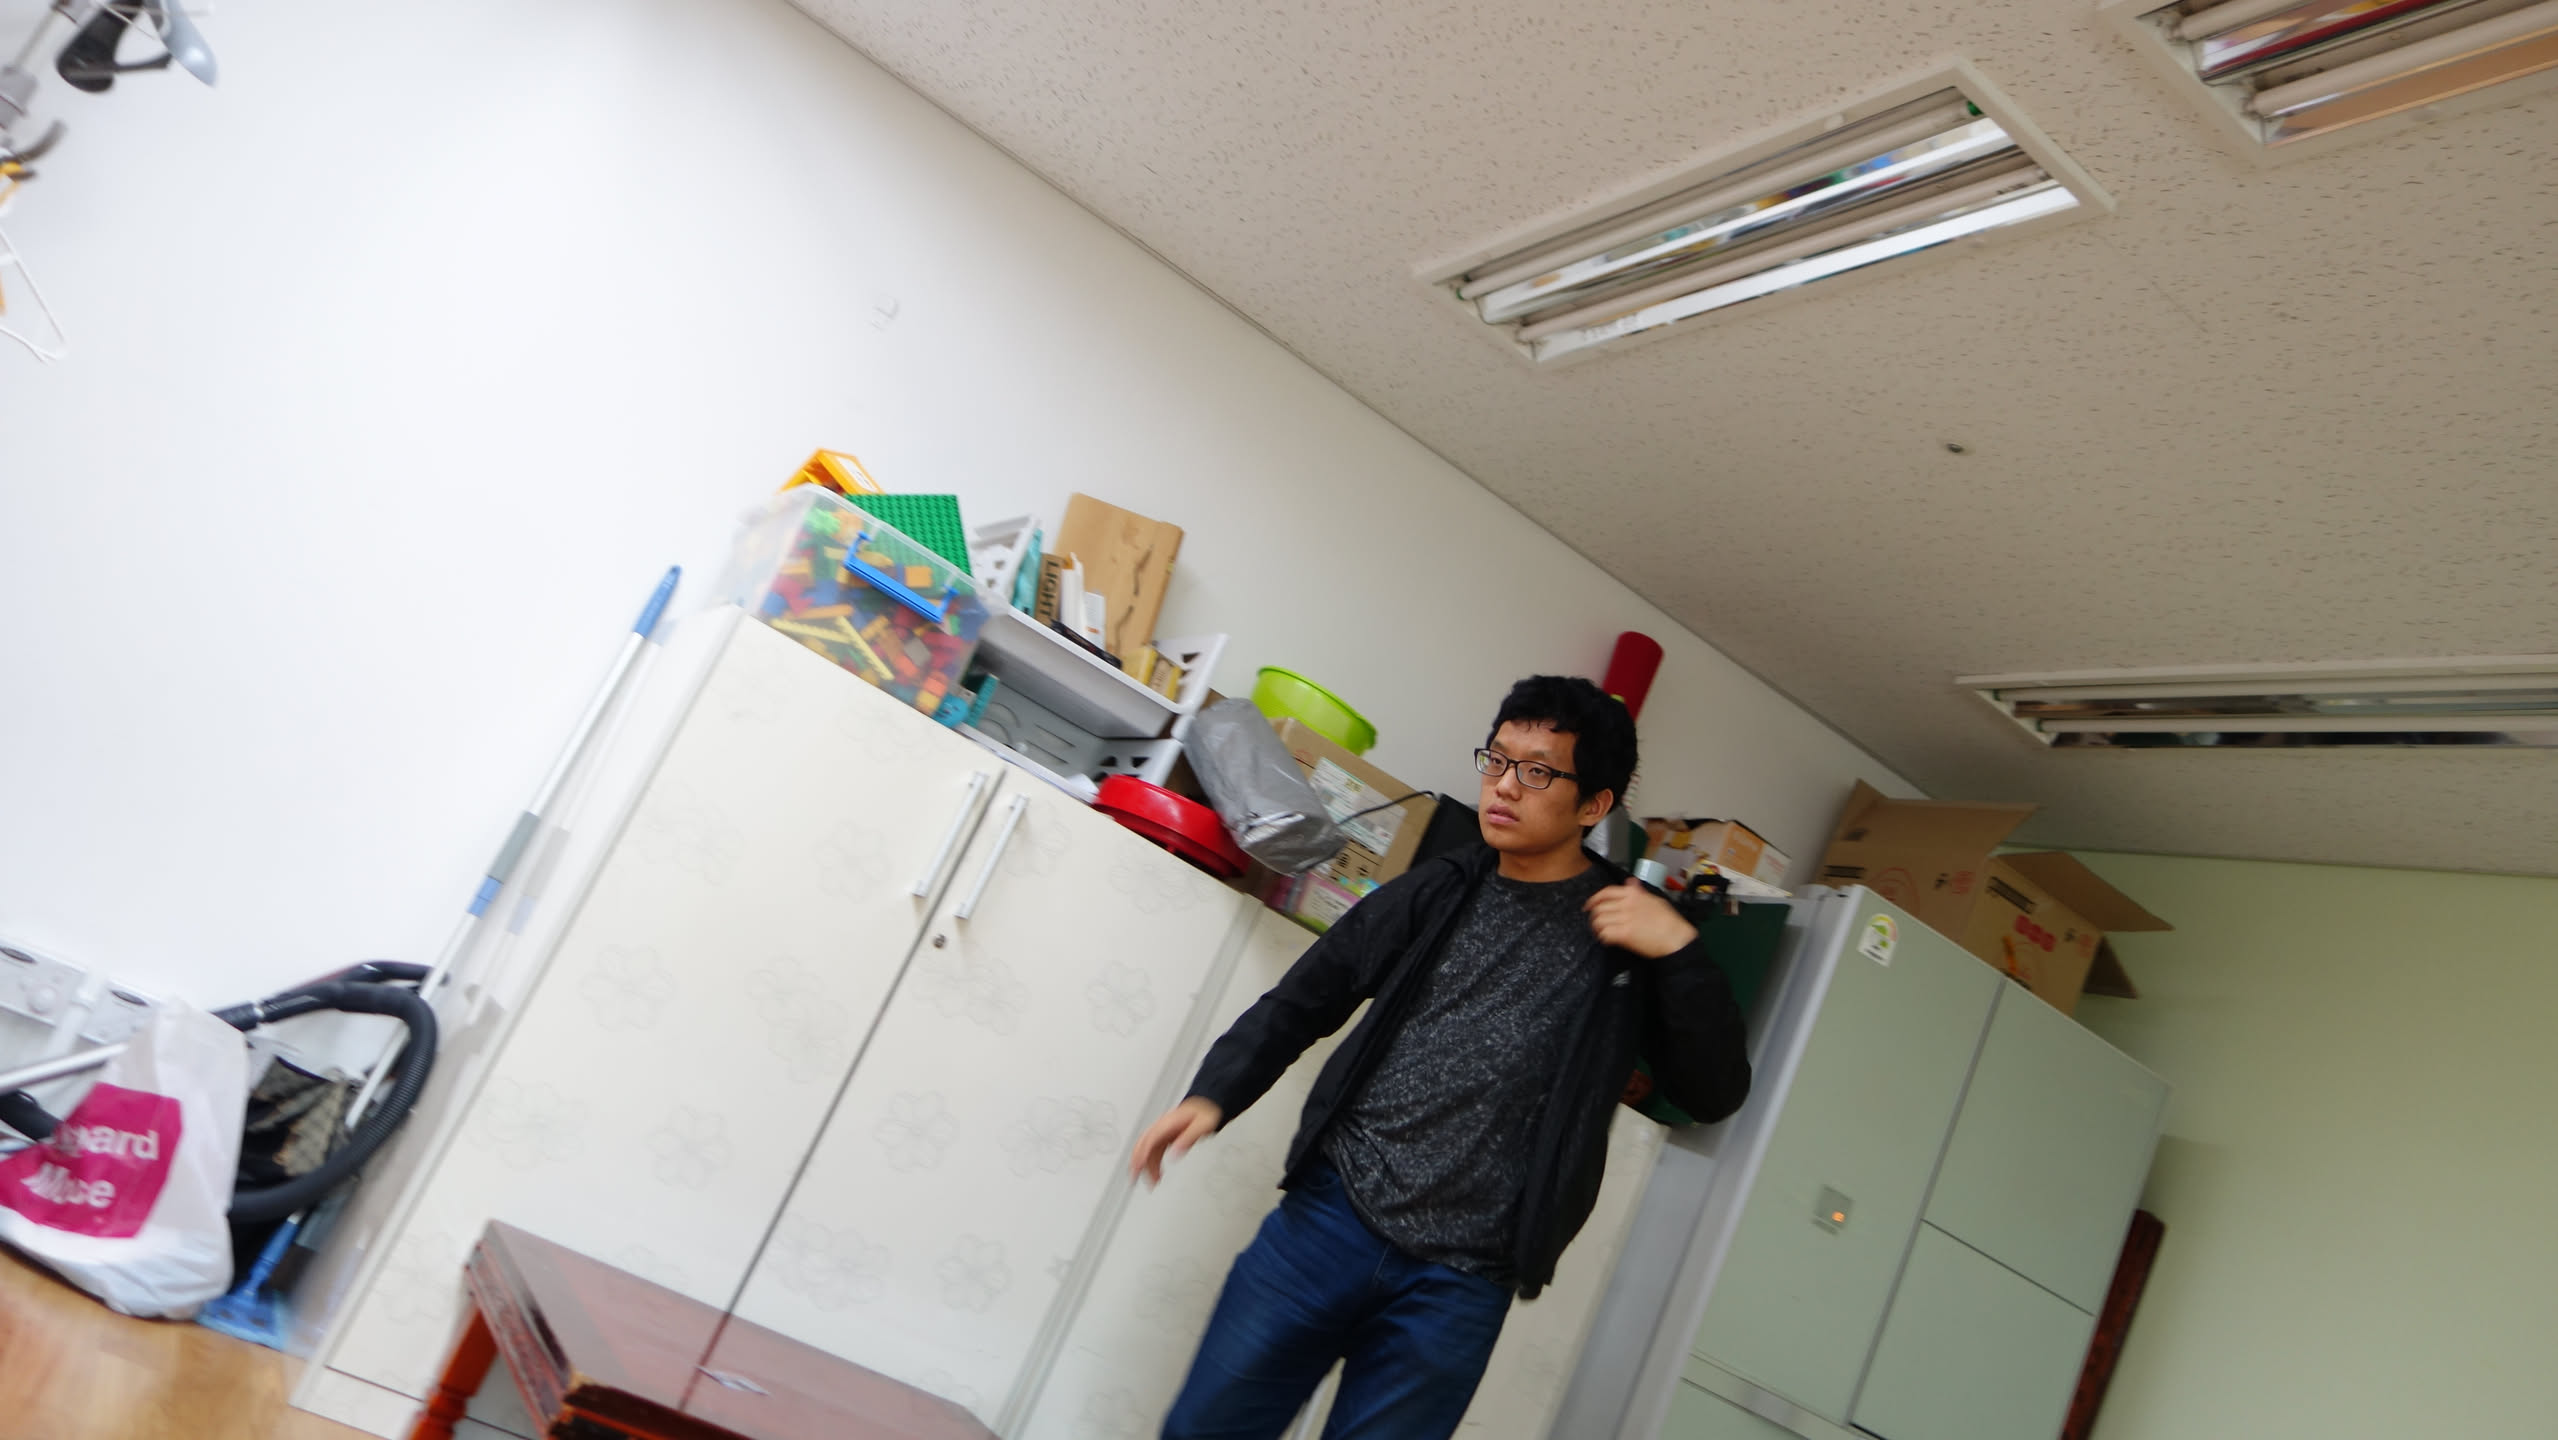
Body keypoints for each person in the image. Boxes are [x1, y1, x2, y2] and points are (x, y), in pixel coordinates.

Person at [1128, 675, 1753, 1440]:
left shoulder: (1628, 931)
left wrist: (1681, 951)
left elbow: (1712, 1092)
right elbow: (1305, 999)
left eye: (1538, 771)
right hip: (1329, 1222)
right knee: (1207, 1428)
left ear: (1593, 805)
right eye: (1498, 759)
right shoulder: (1441, 887)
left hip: (1460, 1285)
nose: (1504, 785)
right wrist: (1214, 1094)